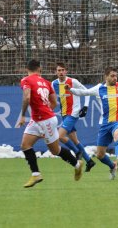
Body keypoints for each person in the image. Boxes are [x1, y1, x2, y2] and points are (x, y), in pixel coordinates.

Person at [16, 59, 84, 188]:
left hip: (45, 120)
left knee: (55, 150)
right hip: (39, 119)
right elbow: (54, 103)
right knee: (25, 145)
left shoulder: (26, 80)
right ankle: (36, 174)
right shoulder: (47, 83)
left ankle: (77, 164)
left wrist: (23, 115)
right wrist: (44, 112)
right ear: (40, 69)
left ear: (27, 69)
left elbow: (26, 97)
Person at [51, 62, 96, 172]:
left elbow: (87, 92)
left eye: (63, 70)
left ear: (66, 71)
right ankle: (89, 161)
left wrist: (85, 107)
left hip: (73, 113)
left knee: (59, 136)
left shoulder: (73, 81)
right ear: (56, 72)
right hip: (64, 114)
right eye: (59, 70)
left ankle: (77, 152)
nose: (61, 72)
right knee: (75, 140)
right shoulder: (54, 84)